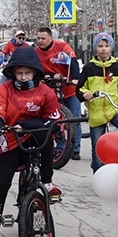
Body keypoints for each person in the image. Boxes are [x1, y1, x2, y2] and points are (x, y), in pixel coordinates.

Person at [0, 47, 62, 237]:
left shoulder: (46, 91)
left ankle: (47, 180)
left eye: (28, 73)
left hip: (34, 136)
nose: (24, 77)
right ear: (13, 73)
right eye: (19, 73)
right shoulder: (5, 89)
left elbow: (53, 119)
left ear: (35, 72)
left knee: (47, 132)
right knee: (0, 184)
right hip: (9, 138)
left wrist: (27, 125)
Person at [77, 32, 118, 172]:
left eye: (106, 45)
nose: (103, 48)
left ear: (111, 48)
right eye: (100, 45)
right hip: (96, 113)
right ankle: (98, 173)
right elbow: (79, 88)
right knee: (97, 147)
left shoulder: (117, 67)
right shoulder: (89, 68)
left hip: (113, 109)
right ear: (95, 48)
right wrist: (85, 94)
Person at [34, 26, 82, 160]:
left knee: (74, 119)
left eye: (43, 38)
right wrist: (48, 76)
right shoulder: (36, 52)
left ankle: (75, 148)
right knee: (56, 119)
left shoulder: (62, 46)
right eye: (38, 38)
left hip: (69, 88)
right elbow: (35, 69)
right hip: (51, 88)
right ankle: (61, 147)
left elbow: (73, 62)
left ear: (50, 38)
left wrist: (75, 78)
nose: (40, 41)